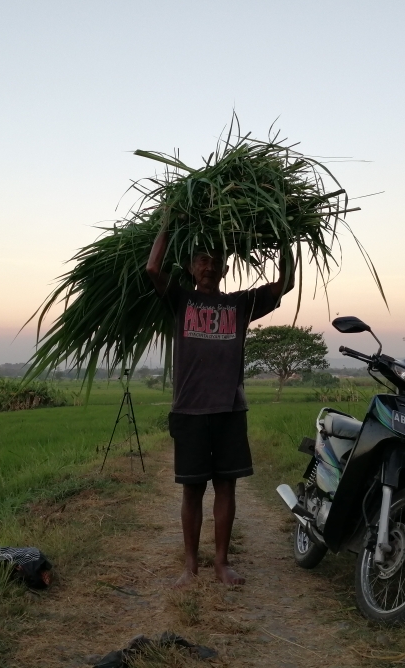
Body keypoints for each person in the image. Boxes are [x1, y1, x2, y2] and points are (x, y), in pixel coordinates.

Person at [146, 225, 294, 586]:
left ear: (226, 270)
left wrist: (285, 237)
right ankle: (190, 565)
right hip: (189, 410)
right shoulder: (180, 300)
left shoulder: (239, 304)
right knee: (192, 489)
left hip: (230, 410)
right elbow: (152, 270)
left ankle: (222, 563)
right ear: (191, 268)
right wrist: (168, 223)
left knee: (227, 487)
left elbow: (284, 284)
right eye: (201, 260)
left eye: (216, 262)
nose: (209, 266)